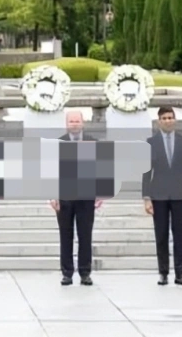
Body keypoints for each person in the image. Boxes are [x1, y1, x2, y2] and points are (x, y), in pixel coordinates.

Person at [141, 106, 182, 286]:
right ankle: (163, 272)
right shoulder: (151, 143)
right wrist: (146, 197)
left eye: (170, 117)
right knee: (161, 235)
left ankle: (180, 272)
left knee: (180, 235)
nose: (167, 121)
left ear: (175, 120)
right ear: (159, 122)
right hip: (159, 195)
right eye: (164, 118)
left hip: (179, 194)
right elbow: (146, 171)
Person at [49, 111, 104, 286]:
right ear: (66, 124)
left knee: (85, 235)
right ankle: (67, 272)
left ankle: (85, 272)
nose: (74, 124)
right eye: (71, 121)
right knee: (66, 236)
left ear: (83, 122)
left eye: (77, 121)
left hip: (86, 197)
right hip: (64, 197)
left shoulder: (93, 142)